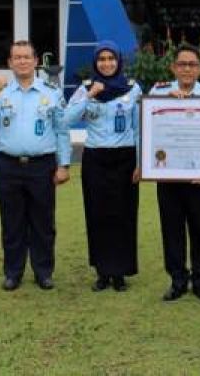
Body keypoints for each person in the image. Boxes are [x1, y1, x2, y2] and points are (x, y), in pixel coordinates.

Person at [0, 40, 70, 291]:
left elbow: (62, 131)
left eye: (26, 57)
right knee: (12, 222)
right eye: (16, 57)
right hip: (8, 165)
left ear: (36, 61)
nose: (22, 61)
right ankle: (13, 272)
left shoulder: (51, 93)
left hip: (42, 165)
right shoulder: (2, 92)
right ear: (9, 63)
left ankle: (43, 272)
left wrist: (63, 165)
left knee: (43, 222)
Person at [65, 41, 142, 292]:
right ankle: (102, 272)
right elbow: (66, 119)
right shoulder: (86, 88)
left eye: (111, 58)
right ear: (95, 62)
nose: (107, 63)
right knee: (97, 214)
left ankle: (120, 273)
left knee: (124, 215)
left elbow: (140, 129)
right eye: (102, 59)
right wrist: (90, 96)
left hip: (125, 158)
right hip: (96, 159)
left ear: (118, 61)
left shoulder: (132, 89)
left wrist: (141, 163)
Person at [150, 43, 200, 301]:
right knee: (172, 229)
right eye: (182, 64)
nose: (187, 69)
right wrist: (166, 102)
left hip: (199, 177)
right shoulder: (158, 92)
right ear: (173, 67)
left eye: (192, 64)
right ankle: (177, 279)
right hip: (168, 175)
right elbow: (147, 126)